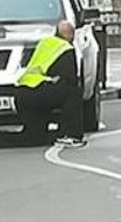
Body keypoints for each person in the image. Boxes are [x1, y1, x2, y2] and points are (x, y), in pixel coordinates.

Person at [11, 20, 84, 148]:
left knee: (33, 137)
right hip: (40, 91)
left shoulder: (44, 43)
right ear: (71, 36)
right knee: (74, 91)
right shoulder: (66, 48)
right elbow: (70, 79)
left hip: (22, 94)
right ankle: (71, 135)